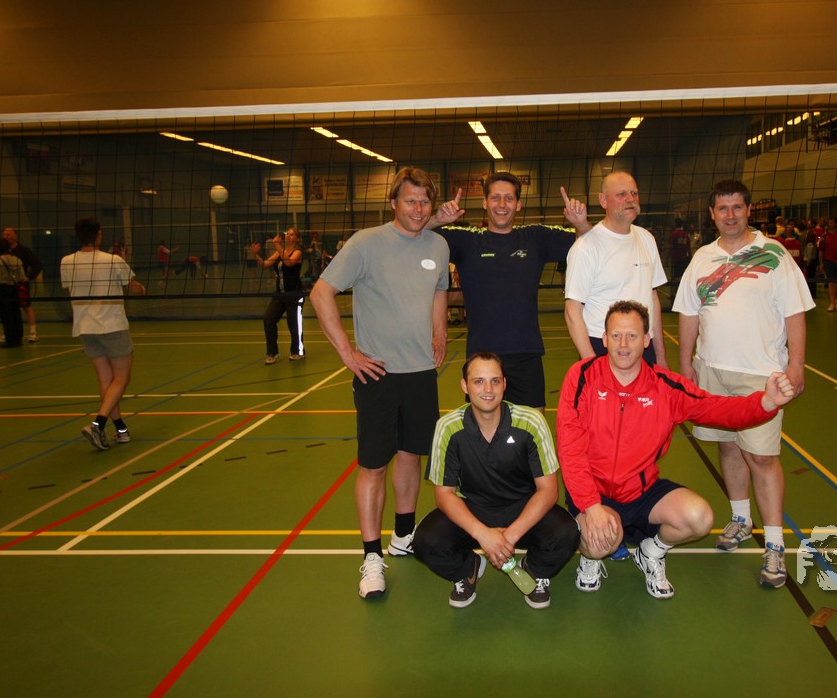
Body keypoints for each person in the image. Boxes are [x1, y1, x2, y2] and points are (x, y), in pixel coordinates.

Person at [556, 300, 796, 599]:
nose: (623, 344)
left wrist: (766, 402)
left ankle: (650, 551)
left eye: (632, 336)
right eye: (616, 335)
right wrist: (591, 507)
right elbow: (570, 450)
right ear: (604, 339)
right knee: (600, 543)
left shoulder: (665, 387)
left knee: (699, 517)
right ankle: (591, 558)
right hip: (595, 492)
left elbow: (717, 408)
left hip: (641, 492)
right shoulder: (582, 376)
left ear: (647, 340)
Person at [309, 166, 450, 600]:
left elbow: (439, 289)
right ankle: (372, 557)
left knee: (410, 455)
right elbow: (320, 293)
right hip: (378, 375)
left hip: (421, 373)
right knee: (373, 466)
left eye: (424, 202)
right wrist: (348, 353)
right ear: (393, 203)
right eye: (410, 201)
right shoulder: (365, 243)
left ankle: (403, 536)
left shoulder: (438, 245)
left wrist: (440, 330)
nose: (418, 209)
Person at [672, 179, 815, 588]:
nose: (730, 215)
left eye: (737, 207)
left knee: (763, 459)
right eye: (723, 208)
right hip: (712, 371)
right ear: (712, 214)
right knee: (728, 447)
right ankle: (740, 518)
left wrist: (797, 365)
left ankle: (774, 546)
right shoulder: (702, 258)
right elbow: (688, 314)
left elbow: (795, 313)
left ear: (749, 210)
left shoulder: (775, 255)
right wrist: (686, 365)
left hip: (761, 377)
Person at [414, 352, 579, 609]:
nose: (488, 389)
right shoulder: (448, 427)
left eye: (495, 381)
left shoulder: (530, 421)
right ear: (465, 386)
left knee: (566, 533)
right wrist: (483, 534)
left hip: (522, 506)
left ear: (504, 384)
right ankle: (468, 569)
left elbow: (548, 491)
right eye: (478, 381)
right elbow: (444, 494)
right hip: (474, 508)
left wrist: (509, 537)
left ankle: (534, 569)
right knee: (425, 541)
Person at [426, 172, 589, 409]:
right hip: (481, 357)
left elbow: (591, 246)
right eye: (495, 198)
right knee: (483, 427)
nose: (502, 205)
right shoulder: (467, 241)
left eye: (509, 198)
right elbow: (415, 236)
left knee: (532, 425)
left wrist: (581, 224)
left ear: (519, 204)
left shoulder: (535, 238)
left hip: (526, 353)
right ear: (485, 202)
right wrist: (436, 220)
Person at [564, 170, 669, 368]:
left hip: (644, 345)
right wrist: (591, 364)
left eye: (634, 193)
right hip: (602, 345)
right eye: (621, 194)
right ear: (603, 200)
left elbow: (652, 297)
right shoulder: (586, 247)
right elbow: (572, 311)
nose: (630, 199)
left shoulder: (647, 239)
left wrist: (660, 356)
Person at [59, 217, 146, 451]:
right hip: (111, 325)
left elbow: (70, 286)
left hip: (85, 327)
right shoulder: (113, 260)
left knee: (105, 380)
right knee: (121, 379)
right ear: (99, 234)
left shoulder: (66, 262)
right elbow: (134, 288)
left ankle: (121, 430)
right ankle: (98, 424)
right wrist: (141, 288)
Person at [253, 228, 305, 364]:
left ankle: (298, 352)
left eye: (292, 235)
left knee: (293, 324)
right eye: (287, 234)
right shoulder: (279, 252)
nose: (288, 236)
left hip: (294, 294)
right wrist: (255, 254)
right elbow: (265, 264)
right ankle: (272, 352)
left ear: (297, 239)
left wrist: (277, 245)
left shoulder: (298, 252)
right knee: (268, 319)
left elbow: (289, 263)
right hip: (280, 294)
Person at [2, 227, 43, 342]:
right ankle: (8, 333)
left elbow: (37, 265)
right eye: (4, 234)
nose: (6, 236)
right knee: (9, 310)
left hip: (21, 285)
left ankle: (33, 333)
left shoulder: (24, 250)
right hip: (6, 286)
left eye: (8, 234)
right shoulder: (2, 251)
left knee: (27, 307)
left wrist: (28, 277)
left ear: (15, 236)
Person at [0, 237, 27, 348]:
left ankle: (10, 340)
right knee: (16, 314)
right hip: (14, 290)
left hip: (3, 290)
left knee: (6, 316)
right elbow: (22, 277)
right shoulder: (17, 260)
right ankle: (18, 339)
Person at [668, 217, 692, 287]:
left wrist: (667, 258)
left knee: (675, 277)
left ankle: (675, 291)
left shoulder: (673, 234)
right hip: (683, 258)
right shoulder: (685, 234)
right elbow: (688, 247)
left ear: (675, 224)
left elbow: (670, 246)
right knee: (681, 276)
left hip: (675, 258)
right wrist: (690, 257)